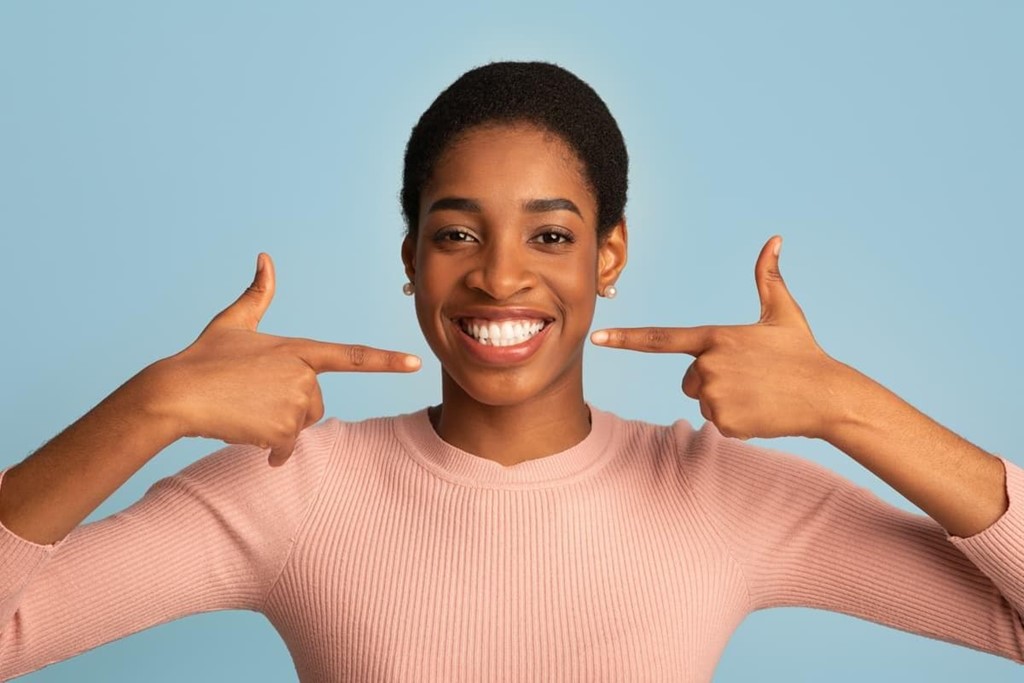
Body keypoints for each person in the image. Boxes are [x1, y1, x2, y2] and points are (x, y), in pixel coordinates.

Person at [1, 61, 1021, 682]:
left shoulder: (719, 494)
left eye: (549, 233)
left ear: (605, 257)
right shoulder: (291, 491)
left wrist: (849, 404)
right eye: (455, 232)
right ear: (408, 258)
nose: (498, 275)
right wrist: (151, 405)